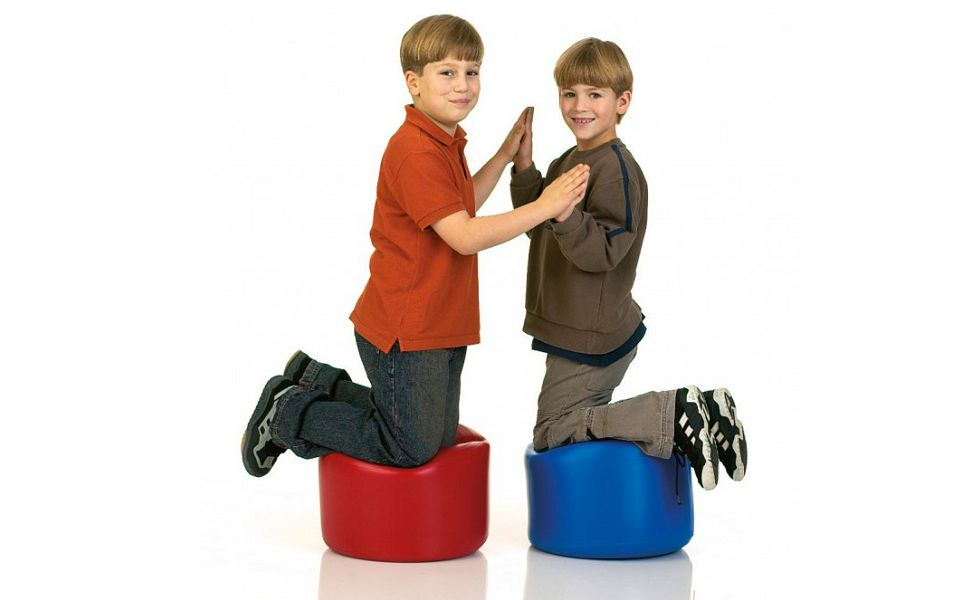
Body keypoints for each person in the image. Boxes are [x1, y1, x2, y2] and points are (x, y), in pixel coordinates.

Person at [241, 14, 590, 477]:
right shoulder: (416, 152)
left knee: (435, 437)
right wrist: (546, 206)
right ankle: (288, 413)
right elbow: (463, 236)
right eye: (447, 72)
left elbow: (460, 205)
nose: (462, 85)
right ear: (414, 82)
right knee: (410, 445)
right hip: (406, 329)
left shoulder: (443, 141)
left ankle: (314, 379)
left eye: (472, 71)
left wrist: (505, 155)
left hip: (440, 321)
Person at [509, 38, 747, 490]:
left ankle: (672, 411)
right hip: (575, 329)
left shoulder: (616, 169)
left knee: (553, 430)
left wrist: (565, 213)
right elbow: (536, 223)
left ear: (622, 102)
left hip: (591, 336)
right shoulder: (568, 160)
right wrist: (524, 169)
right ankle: (711, 411)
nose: (579, 106)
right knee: (571, 422)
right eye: (569, 93)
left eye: (594, 94)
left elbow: (604, 251)